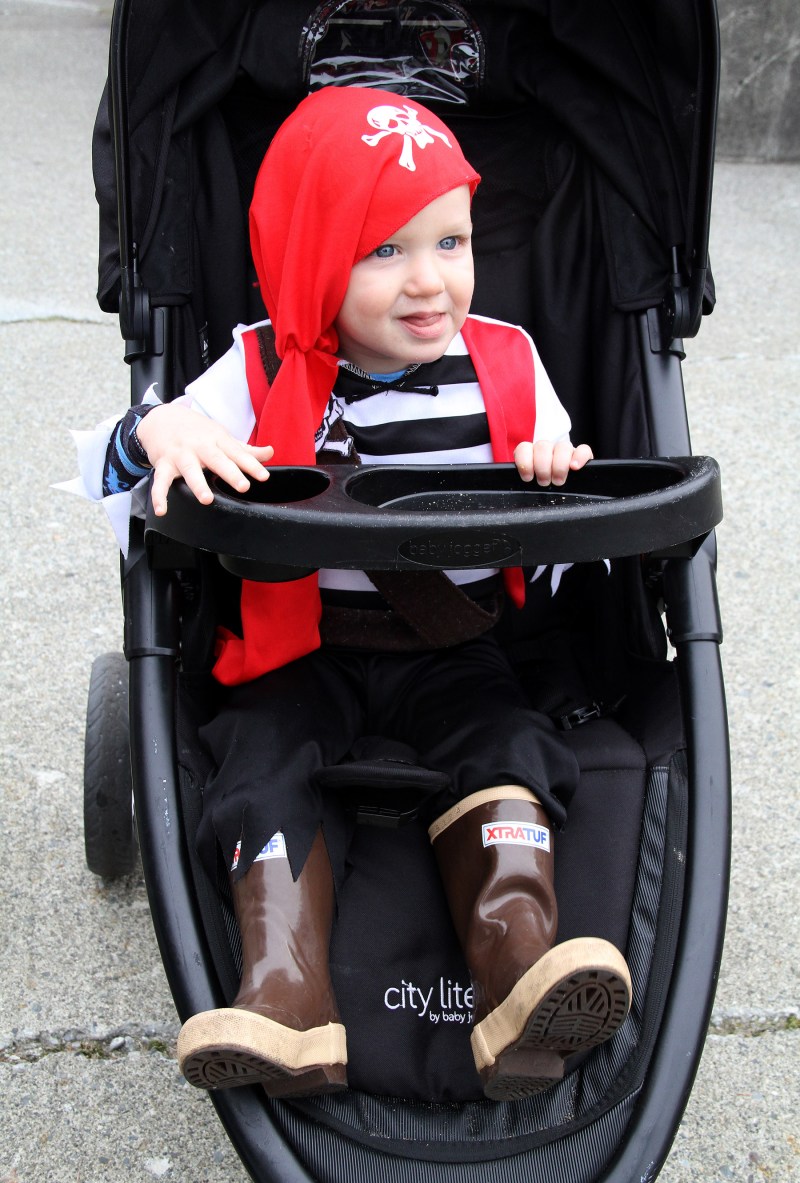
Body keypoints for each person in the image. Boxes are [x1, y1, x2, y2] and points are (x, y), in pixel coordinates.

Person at [78, 87, 632, 1102]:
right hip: (302, 646)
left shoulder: (506, 365)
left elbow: (562, 518)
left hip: (457, 650)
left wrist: (553, 470)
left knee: (508, 743)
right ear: (309, 257)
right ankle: (285, 997)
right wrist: (161, 429)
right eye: (384, 251)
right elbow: (120, 468)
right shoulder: (256, 370)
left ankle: (519, 967)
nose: (428, 280)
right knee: (259, 756)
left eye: (451, 242)